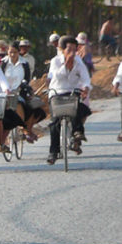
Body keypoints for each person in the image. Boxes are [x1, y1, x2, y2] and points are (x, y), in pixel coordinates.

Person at [46, 36, 92, 165]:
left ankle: (76, 134)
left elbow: (85, 77)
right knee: (54, 122)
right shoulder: (55, 61)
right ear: (62, 49)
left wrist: (86, 88)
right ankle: (53, 152)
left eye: (74, 49)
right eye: (69, 49)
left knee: (82, 110)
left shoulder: (79, 62)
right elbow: (57, 76)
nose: (72, 52)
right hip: (57, 92)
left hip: (72, 92)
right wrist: (67, 63)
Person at [0, 42, 44, 142]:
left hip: (20, 90)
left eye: (14, 52)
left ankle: (25, 128)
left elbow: (27, 79)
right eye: (10, 52)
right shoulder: (4, 63)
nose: (12, 55)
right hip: (4, 91)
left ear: (18, 52)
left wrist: (23, 86)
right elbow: (0, 77)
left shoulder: (24, 64)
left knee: (21, 104)